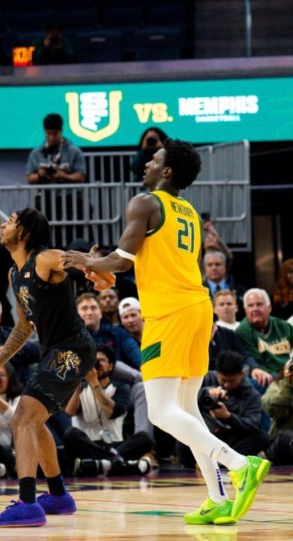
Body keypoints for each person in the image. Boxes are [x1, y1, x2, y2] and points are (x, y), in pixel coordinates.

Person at [64, 139, 271, 525]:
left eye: (155, 159)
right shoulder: (189, 212)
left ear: (168, 171)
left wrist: (83, 260)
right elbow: (138, 266)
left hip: (169, 313)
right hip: (196, 308)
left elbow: (122, 261)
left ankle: (240, 465)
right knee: (186, 409)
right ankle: (218, 498)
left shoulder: (145, 202)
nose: (147, 163)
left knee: (161, 411)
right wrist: (101, 270)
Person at [0, 207, 97, 527]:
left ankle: (28, 503)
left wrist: (94, 266)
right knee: (34, 421)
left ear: (25, 233)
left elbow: (70, 259)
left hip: (73, 348)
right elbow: (24, 327)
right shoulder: (14, 275)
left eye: (11, 222)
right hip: (56, 351)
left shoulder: (44, 258)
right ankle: (57, 495)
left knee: (22, 418)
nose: (2, 226)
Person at [62, 346, 154, 477]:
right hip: (88, 444)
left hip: (114, 444)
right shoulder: (79, 389)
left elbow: (111, 412)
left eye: (101, 360)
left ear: (111, 366)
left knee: (145, 439)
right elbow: (70, 412)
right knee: (71, 434)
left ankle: (100, 465)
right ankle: (121, 465)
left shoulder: (121, 388)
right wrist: (77, 381)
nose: (97, 364)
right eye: (93, 361)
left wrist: (94, 383)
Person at [175, 351, 270, 472]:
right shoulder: (206, 379)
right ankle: (208, 461)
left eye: (231, 381)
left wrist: (229, 417)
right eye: (223, 380)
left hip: (231, 437)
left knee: (262, 437)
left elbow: (253, 424)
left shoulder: (251, 394)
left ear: (242, 374)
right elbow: (183, 398)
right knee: (183, 432)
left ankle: (222, 461)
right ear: (217, 373)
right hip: (205, 433)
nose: (226, 385)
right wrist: (206, 392)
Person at [235, 288, 293, 378]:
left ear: (269, 308)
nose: (255, 309)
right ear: (245, 310)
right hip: (268, 378)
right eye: (250, 306)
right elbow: (258, 364)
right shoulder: (242, 332)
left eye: (259, 304)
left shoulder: (284, 326)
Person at [26, 113, 86, 185]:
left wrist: (64, 176)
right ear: (44, 132)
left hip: (69, 194)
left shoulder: (74, 152)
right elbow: (29, 179)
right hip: (45, 194)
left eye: (55, 134)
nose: (51, 138)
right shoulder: (36, 153)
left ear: (61, 131)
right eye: (48, 134)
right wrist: (40, 175)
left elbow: (81, 177)